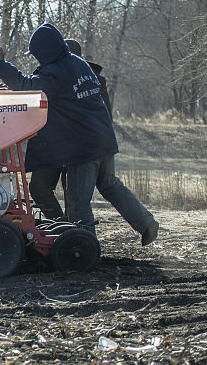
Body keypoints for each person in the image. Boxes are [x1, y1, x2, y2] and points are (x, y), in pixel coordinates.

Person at [0, 23, 139, 240]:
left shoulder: (59, 72)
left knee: (77, 204)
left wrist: (1, 65)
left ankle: (82, 245)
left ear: (46, 51)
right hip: (87, 143)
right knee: (105, 187)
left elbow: (30, 86)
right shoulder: (78, 66)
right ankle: (69, 233)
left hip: (79, 146)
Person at [63, 38, 158, 245]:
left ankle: (84, 247)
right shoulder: (95, 78)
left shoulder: (67, 77)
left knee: (79, 201)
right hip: (105, 141)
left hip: (84, 146)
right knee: (109, 184)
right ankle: (146, 223)